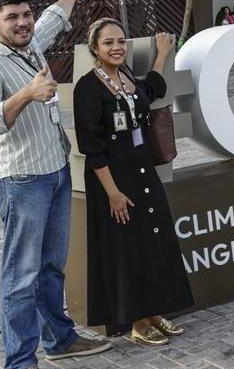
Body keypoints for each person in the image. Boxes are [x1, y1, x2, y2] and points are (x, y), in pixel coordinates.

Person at [0, 0, 112, 369]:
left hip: (56, 172)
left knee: (51, 266)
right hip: (22, 180)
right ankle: (20, 362)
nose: (23, 22)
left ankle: (60, 339)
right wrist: (26, 95)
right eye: (12, 17)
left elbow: (53, 18)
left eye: (25, 14)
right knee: (21, 275)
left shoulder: (31, 45)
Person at [73, 21, 194, 345]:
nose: (116, 47)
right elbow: (92, 147)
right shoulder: (88, 87)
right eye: (108, 42)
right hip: (114, 178)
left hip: (143, 171)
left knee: (152, 241)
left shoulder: (126, 77)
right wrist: (113, 193)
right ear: (95, 48)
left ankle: (154, 312)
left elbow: (151, 90)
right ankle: (138, 322)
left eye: (120, 41)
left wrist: (161, 55)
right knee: (128, 249)